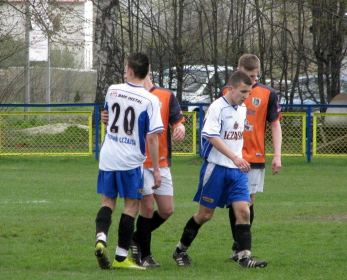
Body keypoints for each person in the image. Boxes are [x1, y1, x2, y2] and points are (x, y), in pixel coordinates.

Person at [172, 70, 268, 269]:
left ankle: (244, 257)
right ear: (231, 88)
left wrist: (238, 159)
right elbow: (211, 136)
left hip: (237, 171)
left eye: (249, 92)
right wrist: (234, 157)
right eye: (243, 92)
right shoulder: (217, 107)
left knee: (244, 211)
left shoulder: (242, 108)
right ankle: (180, 250)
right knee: (205, 215)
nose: (246, 96)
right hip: (216, 169)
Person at [101, 73, 186, 268]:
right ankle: (146, 256)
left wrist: (180, 127)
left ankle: (134, 238)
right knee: (146, 208)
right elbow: (113, 119)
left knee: (166, 210)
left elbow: (177, 120)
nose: (125, 76)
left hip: (161, 162)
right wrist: (106, 117)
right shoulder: (124, 94)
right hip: (138, 163)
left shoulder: (164, 95)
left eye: (127, 72)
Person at [94, 52, 164, 270]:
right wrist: (156, 169)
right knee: (131, 206)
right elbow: (152, 137)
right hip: (130, 161)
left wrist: (105, 119)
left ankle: (101, 239)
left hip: (107, 157)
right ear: (146, 74)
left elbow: (108, 119)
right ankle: (121, 257)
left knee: (108, 203)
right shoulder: (151, 99)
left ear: (131, 71)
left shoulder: (112, 90)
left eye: (126, 69)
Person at [220, 54, 282, 261]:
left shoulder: (268, 93)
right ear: (238, 71)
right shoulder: (227, 92)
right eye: (248, 76)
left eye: (255, 76)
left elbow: (274, 124)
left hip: (254, 157)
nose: (252, 80)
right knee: (234, 203)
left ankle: (239, 248)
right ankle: (239, 248)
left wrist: (277, 155)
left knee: (247, 203)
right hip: (231, 156)